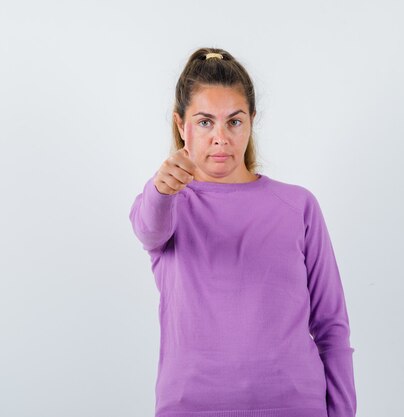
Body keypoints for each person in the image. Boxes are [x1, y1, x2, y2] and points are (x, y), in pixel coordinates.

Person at [128, 47, 357, 417]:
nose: (221, 137)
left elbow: (331, 326)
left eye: (234, 121)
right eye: (205, 122)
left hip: (294, 405)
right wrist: (160, 188)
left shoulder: (298, 206)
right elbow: (147, 230)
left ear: (251, 120)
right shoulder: (167, 203)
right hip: (191, 407)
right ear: (180, 124)